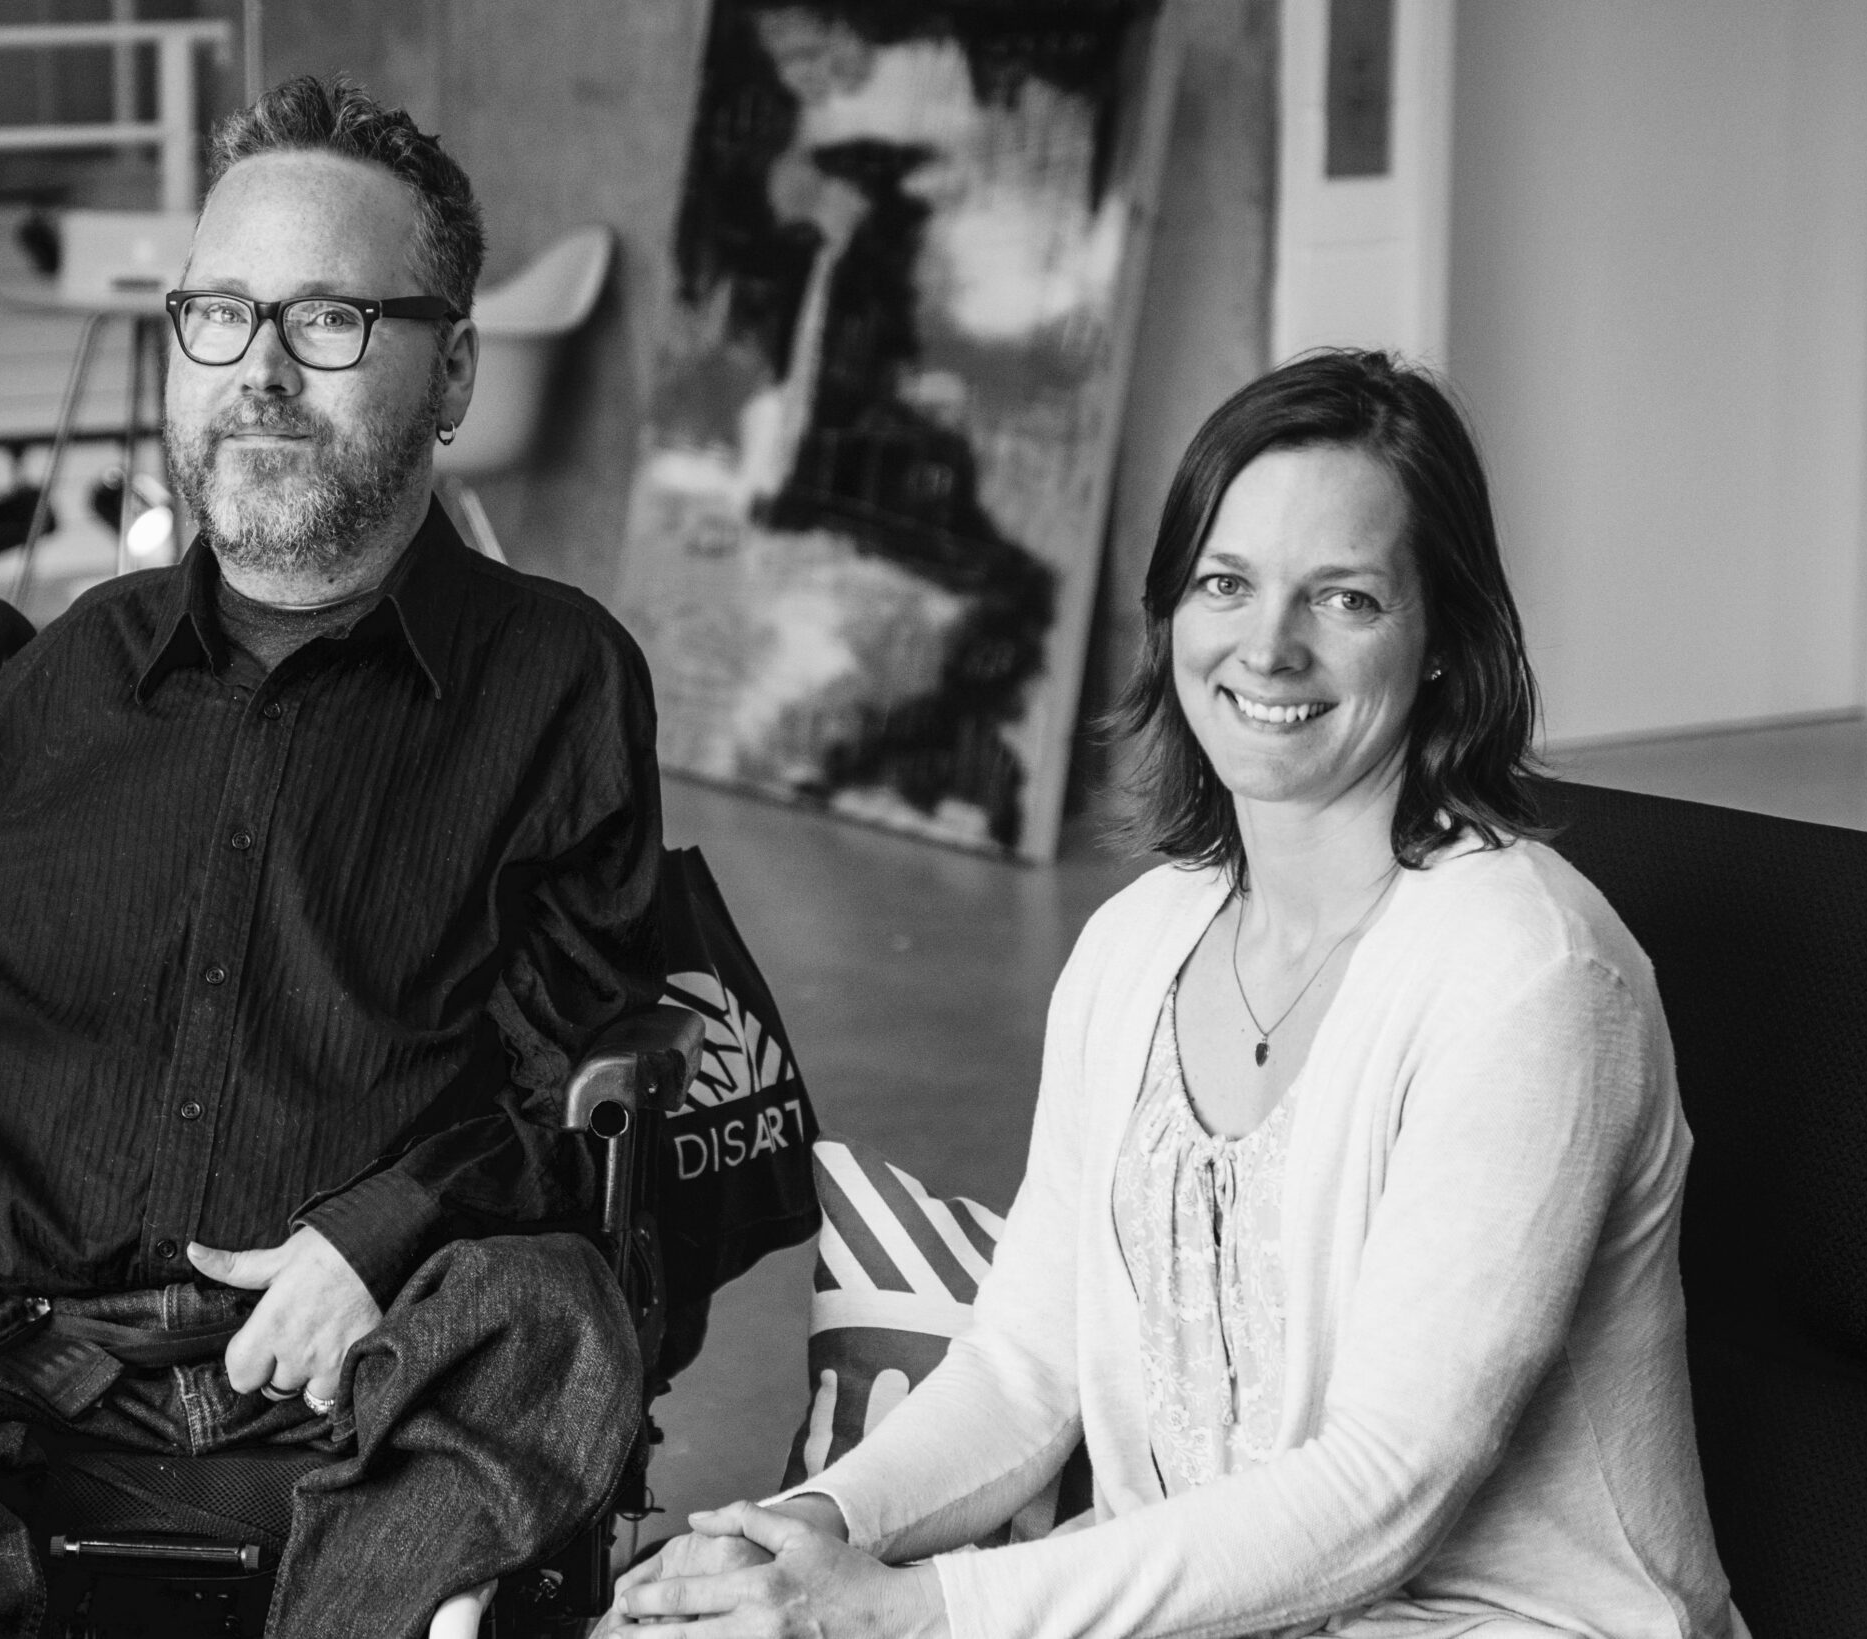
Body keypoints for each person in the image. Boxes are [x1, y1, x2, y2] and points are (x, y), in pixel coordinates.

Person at [0, 76, 663, 1639]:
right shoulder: (80, 666)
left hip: (365, 1362)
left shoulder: (556, 683)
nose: (259, 371)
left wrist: (371, 1240)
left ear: (450, 370)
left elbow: (565, 1065)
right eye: (218, 316)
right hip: (8, 1349)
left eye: (328, 319)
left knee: (557, 1320)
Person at [611, 351, 1748, 1639]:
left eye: (1348, 598)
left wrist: (902, 1614)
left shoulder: (1529, 976)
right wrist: (813, 1534)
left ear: (1444, 641)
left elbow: (1388, 1486)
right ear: (1173, 617)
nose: (1270, 645)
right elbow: (1021, 1369)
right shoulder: (1135, 947)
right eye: (1226, 583)